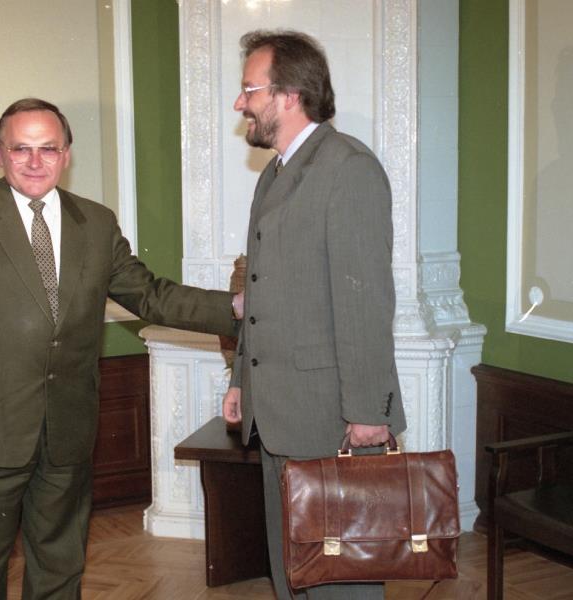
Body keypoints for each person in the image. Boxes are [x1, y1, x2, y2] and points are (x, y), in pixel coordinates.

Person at [0, 97, 241, 599]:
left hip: (67, 426)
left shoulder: (96, 222)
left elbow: (150, 295)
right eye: (21, 149)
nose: (35, 161)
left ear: (66, 155)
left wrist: (234, 306)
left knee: (60, 565)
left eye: (48, 148)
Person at [221, 30, 405, 600]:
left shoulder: (348, 168)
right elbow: (262, 291)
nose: (240, 102)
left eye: (249, 89)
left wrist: (368, 413)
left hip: (330, 419)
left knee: (339, 578)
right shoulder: (275, 173)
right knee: (292, 570)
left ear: (290, 95)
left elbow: (365, 301)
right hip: (276, 413)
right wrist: (241, 379)